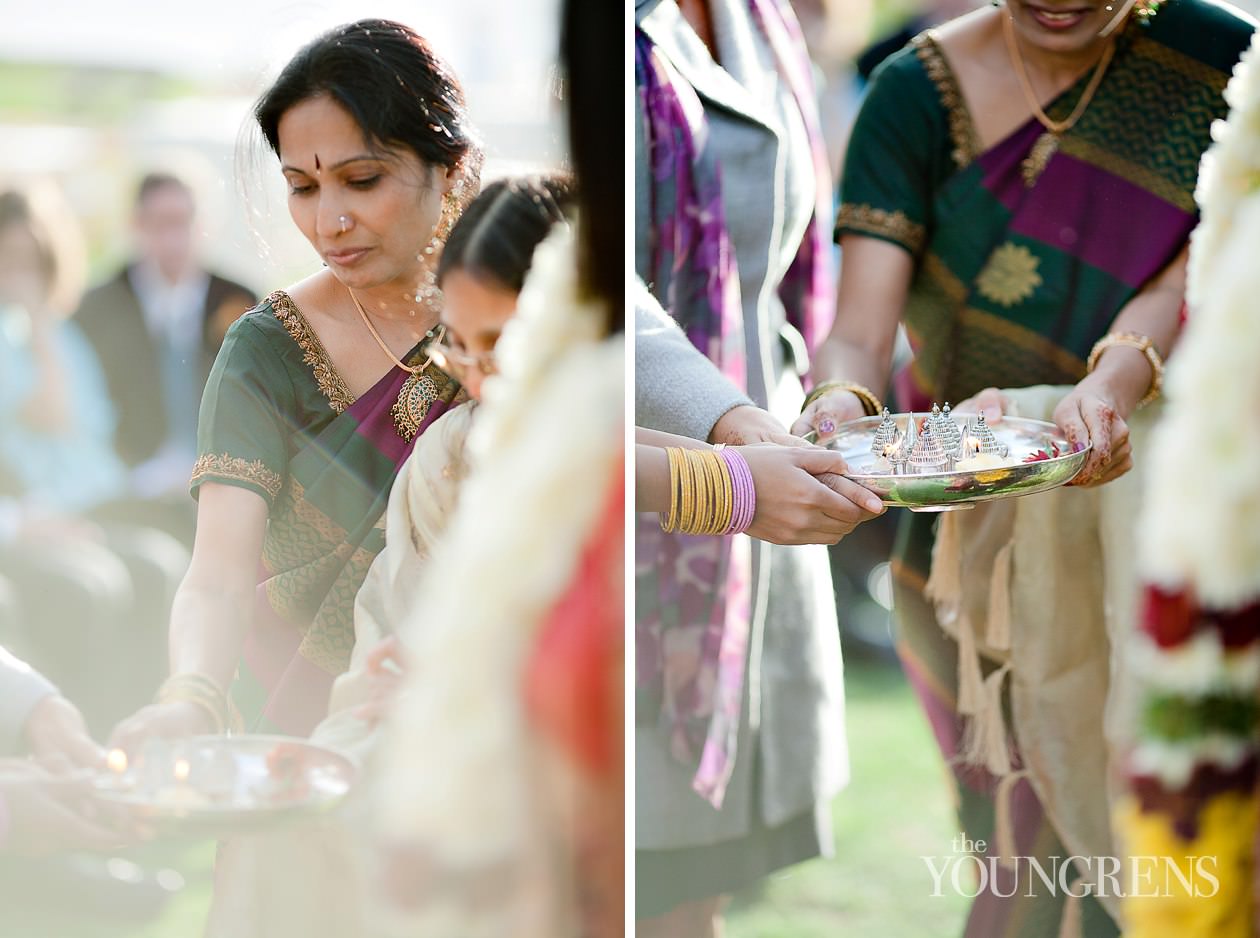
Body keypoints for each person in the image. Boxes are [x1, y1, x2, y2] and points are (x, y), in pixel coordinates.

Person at [792, 1, 1254, 934]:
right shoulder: (911, 94)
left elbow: (1212, 264)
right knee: (1013, 840)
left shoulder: (1223, 65)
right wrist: (838, 413)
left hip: (1179, 518)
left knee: (1166, 818)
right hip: (962, 519)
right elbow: (857, 333)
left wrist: (1111, 388)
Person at [201, 175, 582, 938]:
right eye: (461, 350)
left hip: (562, 770)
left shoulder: (617, 452)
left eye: (504, 347)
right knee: (290, 837)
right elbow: (388, 627)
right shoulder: (447, 452)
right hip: (431, 757)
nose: (479, 379)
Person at [110, 18, 481, 752]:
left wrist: (722, 473)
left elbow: (586, 452)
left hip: (489, 722)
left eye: (362, 180)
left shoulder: (512, 311)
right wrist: (192, 696)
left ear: (451, 164)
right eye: (301, 187)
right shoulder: (267, 350)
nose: (329, 220)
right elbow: (218, 570)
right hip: (301, 742)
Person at [634, 1, 881, 934]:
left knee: (706, 881)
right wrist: (733, 436)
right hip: (649, 460)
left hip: (771, 445)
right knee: (638, 865)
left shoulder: (760, 15)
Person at [75, 173, 256, 496]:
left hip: (221, 475)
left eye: (184, 223)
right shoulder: (97, 308)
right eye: (160, 224)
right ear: (136, 226)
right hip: (127, 477)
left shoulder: (239, 299)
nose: (174, 240)